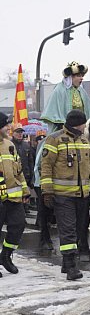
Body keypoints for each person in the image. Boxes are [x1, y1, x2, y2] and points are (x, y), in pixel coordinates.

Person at [40, 110, 90, 280]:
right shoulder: (54, 139)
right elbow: (45, 167)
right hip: (62, 195)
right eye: (83, 124)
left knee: (78, 229)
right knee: (68, 230)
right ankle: (71, 265)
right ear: (78, 124)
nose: (84, 127)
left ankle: (66, 264)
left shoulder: (84, 140)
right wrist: (47, 191)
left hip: (82, 195)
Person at [0, 112, 30, 276]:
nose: (8, 128)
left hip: (13, 197)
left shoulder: (9, 144)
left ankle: (5, 256)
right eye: (5, 125)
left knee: (18, 225)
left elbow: (18, 170)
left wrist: (25, 191)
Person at [40, 62, 90, 134]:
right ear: (71, 77)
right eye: (78, 76)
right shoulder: (59, 90)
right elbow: (54, 113)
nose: (82, 78)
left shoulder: (82, 92)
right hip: (64, 130)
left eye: (82, 75)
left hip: (82, 130)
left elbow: (89, 113)